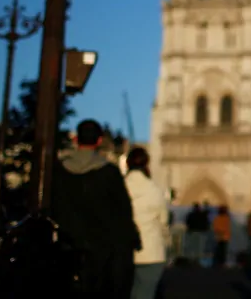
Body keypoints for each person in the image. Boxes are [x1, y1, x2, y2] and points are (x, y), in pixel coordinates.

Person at [52, 119, 140, 298]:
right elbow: (123, 211)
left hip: (68, 246)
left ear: (76, 139)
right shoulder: (109, 172)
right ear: (99, 141)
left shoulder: (59, 171)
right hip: (102, 250)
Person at [125, 147, 169, 299]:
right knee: (145, 294)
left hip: (125, 251)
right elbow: (164, 221)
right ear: (146, 164)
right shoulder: (155, 190)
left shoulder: (120, 187)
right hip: (151, 252)